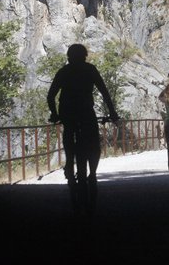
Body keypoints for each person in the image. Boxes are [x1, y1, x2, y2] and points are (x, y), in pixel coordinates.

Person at [47, 43, 120, 214]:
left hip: (68, 113)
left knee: (68, 136)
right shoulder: (90, 69)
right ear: (85, 56)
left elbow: (51, 96)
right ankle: (92, 173)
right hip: (86, 112)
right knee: (93, 143)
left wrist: (55, 114)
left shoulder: (63, 71)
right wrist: (113, 113)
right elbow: (105, 92)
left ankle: (69, 162)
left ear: (69, 56)